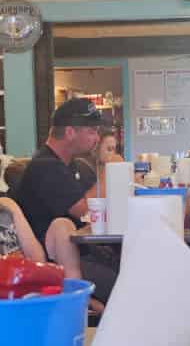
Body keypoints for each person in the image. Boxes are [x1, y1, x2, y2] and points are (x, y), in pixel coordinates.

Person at [14, 97, 118, 301]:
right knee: (122, 283)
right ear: (70, 132)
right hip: (55, 262)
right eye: (92, 131)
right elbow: (86, 211)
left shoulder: (73, 165)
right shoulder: (45, 167)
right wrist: (111, 171)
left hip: (83, 251)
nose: (97, 138)